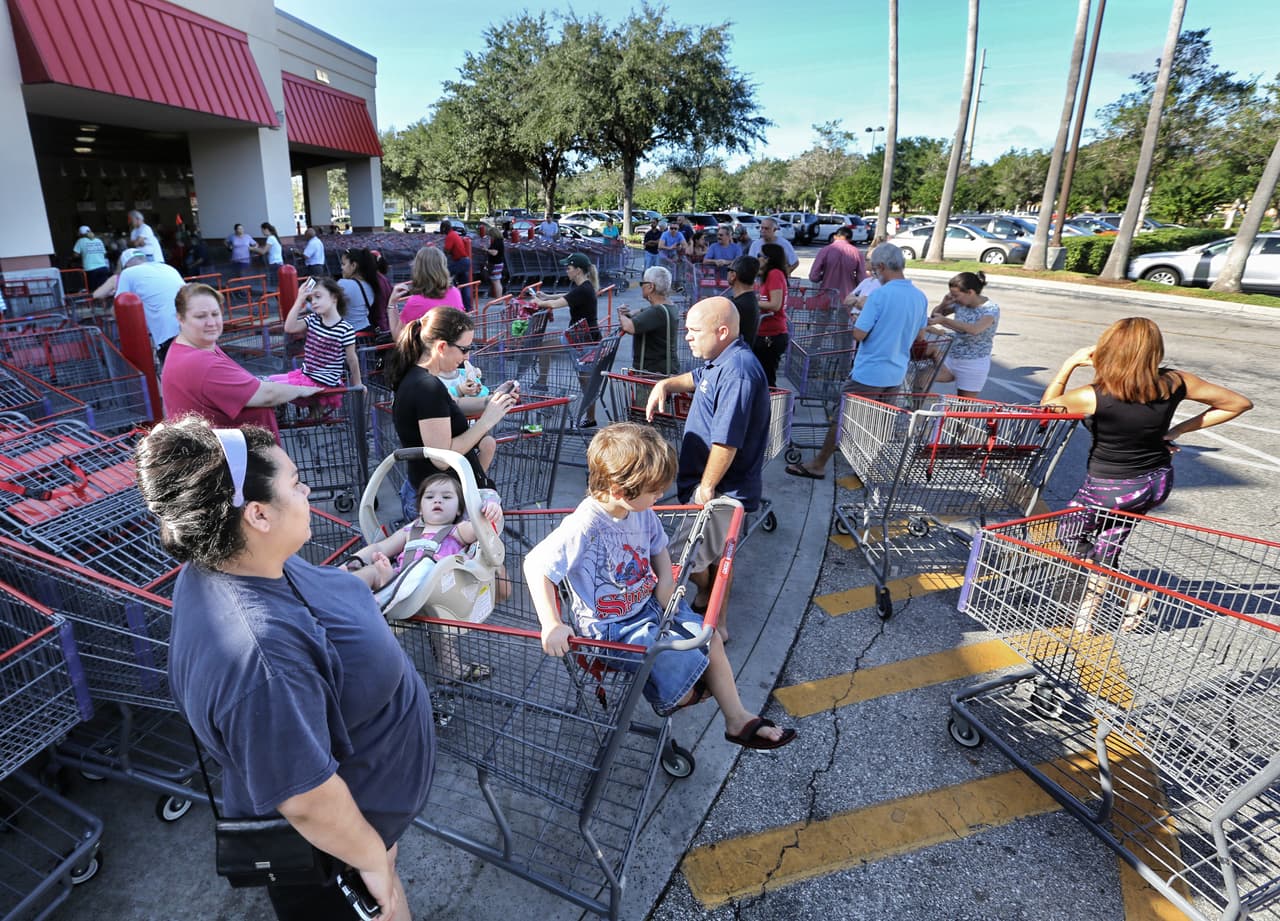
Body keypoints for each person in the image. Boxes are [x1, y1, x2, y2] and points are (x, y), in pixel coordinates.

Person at [135, 417, 430, 921]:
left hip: (366, 823)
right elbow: (307, 799)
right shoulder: (260, 661)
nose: (307, 488)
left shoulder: (243, 557)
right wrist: (374, 865)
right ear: (258, 514)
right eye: (294, 482)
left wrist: (366, 569)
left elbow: (314, 594)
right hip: (338, 857)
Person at [526, 422, 796, 750]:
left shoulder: (642, 513)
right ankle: (675, 694)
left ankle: (737, 718)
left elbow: (658, 547)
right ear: (619, 491)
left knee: (707, 639)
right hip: (610, 627)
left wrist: (665, 583)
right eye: (653, 490)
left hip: (648, 604)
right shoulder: (585, 525)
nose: (659, 496)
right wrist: (551, 623)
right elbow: (537, 564)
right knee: (669, 654)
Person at [1041, 317, 1252, 581]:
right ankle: (1092, 614)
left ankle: (1126, 593)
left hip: (1110, 487)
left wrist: (1068, 365)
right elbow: (1238, 403)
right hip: (1155, 482)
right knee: (1108, 545)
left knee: (1069, 534)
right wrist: (1177, 430)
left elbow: (1043, 414)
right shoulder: (1177, 381)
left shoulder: (1091, 395)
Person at [644, 297, 769, 642]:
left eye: (694, 331)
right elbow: (697, 378)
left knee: (692, 558)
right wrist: (666, 384)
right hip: (703, 482)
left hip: (721, 489)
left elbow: (726, 442)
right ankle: (709, 604)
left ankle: (718, 626)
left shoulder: (738, 370)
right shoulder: (720, 360)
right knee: (708, 558)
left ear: (723, 331)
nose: (687, 337)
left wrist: (706, 487)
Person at [786, 243, 928, 480]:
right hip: (896, 372)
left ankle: (819, 464)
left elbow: (859, 334)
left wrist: (860, 319)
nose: (873, 274)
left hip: (870, 371)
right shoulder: (919, 296)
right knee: (877, 423)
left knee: (843, 415)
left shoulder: (879, 295)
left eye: (874, 269)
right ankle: (867, 468)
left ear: (882, 267)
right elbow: (920, 336)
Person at [386, 307, 518, 521]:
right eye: (464, 349)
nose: (468, 356)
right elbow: (442, 458)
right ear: (442, 347)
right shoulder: (427, 387)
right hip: (441, 504)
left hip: (436, 495)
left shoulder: (420, 378)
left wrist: (491, 401)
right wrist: (487, 421)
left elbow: (451, 405)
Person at [162, 283, 322, 439]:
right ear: (180, 319)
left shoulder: (198, 346)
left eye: (215, 314)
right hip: (231, 458)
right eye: (200, 316)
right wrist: (302, 390)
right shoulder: (199, 362)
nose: (211, 323)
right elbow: (266, 394)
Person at [269, 277, 361, 416]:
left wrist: (358, 383)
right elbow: (289, 327)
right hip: (306, 376)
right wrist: (299, 299)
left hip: (322, 382)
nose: (314, 302)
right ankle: (312, 411)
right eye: (311, 299)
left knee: (273, 387)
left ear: (333, 297)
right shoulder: (313, 319)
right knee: (268, 383)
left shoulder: (345, 329)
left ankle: (315, 408)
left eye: (318, 297)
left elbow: (352, 359)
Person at [531, 253, 602, 424]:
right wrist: (547, 297)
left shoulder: (583, 290)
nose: (566, 271)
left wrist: (538, 302)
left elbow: (557, 304)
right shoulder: (584, 287)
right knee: (585, 380)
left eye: (568, 268)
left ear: (577, 270)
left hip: (582, 339)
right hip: (581, 336)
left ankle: (542, 383)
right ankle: (590, 418)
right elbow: (567, 296)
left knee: (585, 380)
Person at [93, 248, 182, 365]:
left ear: (126, 265)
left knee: (173, 375)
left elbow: (118, 309)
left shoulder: (128, 273)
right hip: (189, 326)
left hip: (167, 333)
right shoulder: (168, 268)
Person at [928, 271, 1000, 399]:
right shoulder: (959, 304)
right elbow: (935, 315)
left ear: (970, 292)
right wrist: (944, 304)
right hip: (951, 358)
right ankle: (914, 411)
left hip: (973, 363)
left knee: (963, 405)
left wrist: (945, 321)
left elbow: (975, 329)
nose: (954, 299)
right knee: (923, 377)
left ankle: (958, 419)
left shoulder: (990, 309)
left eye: (956, 295)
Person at [388, 247, 463, 338]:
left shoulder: (415, 302)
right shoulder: (455, 293)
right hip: (450, 349)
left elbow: (398, 337)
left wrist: (392, 304)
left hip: (427, 351)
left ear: (417, 269)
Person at [618, 265, 678, 375]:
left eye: (642, 284)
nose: (641, 287)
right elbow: (643, 311)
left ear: (650, 287)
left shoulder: (658, 311)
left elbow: (629, 327)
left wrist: (621, 314)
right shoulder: (667, 306)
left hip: (653, 371)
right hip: (660, 368)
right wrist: (631, 313)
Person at [752, 242, 790, 387]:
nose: (758, 259)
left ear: (768, 259)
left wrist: (753, 302)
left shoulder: (775, 274)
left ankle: (771, 406)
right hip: (763, 332)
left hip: (772, 335)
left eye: (760, 256)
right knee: (760, 377)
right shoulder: (767, 275)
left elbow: (775, 304)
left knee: (767, 380)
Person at [808, 226, 867, 302]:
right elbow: (862, 279)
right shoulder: (857, 253)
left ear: (835, 236)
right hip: (847, 298)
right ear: (850, 239)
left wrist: (824, 276)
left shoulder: (825, 251)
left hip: (826, 296)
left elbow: (813, 276)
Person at [337, 247, 377, 334]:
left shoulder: (344, 284)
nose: (341, 267)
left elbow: (324, 304)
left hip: (347, 334)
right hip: (366, 332)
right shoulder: (370, 285)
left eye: (343, 264)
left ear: (354, 265)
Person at [726, 256, 761, 346]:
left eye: (728, 269)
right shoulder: (749, 299)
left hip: (734, 355)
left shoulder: (737, 306)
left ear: (733, 275)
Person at [440, 221, 473, 312]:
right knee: (464, 285)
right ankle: (468, 308)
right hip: (465, 261)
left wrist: (440, 261)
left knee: (444, 273)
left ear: (444, 228)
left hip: (461, 262)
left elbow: (446, 251)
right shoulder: (454, 234)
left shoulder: (450, 236)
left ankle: (451, 298)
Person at [73, 226, 110, 291]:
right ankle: (104, 301)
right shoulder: (98, 240)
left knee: (93, 291)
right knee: (104, 290)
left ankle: (96, 301)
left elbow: (75, 255)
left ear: (80, 234)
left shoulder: (80, 241)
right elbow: (104, 253)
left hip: (90, 269)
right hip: (103, 267)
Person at [479, 223, 505, 298]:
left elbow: (494, 252)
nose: (489, 237)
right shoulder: (500, 241)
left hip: (496, 263)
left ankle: (498, 299)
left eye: (490, 235)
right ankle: (498, 298)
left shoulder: (497, 242)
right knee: (496, 281)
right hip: (498, 263)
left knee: (496, 281)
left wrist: (486, 250)